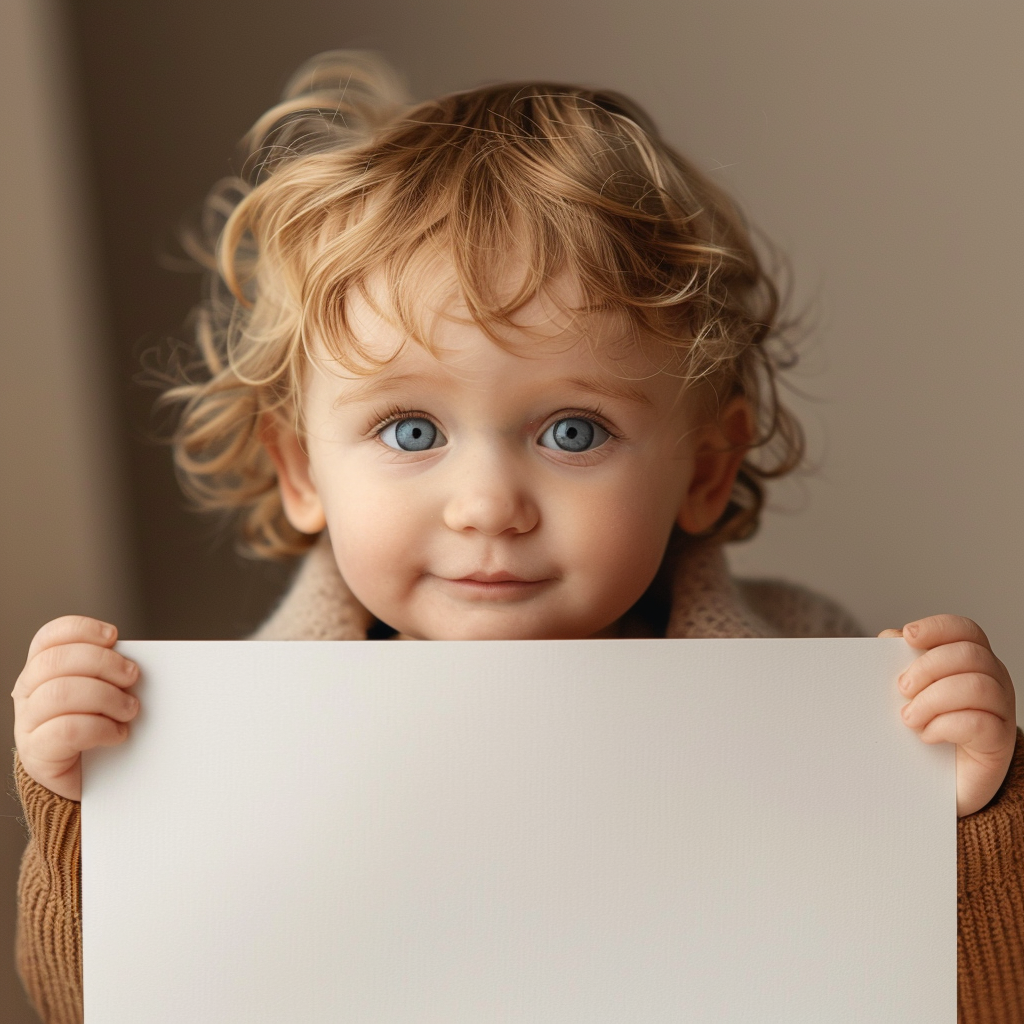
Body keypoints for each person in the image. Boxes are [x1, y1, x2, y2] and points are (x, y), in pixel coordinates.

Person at [11, 51, 1022, 1024]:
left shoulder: (825, 679)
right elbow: (100, 1005)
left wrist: (970, 822)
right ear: (302, 471)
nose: (486, 504)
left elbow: (966, 1002)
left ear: (706, 469)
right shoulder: (225, 741)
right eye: (411, 431)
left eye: (571, 431)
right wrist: (85, 821)